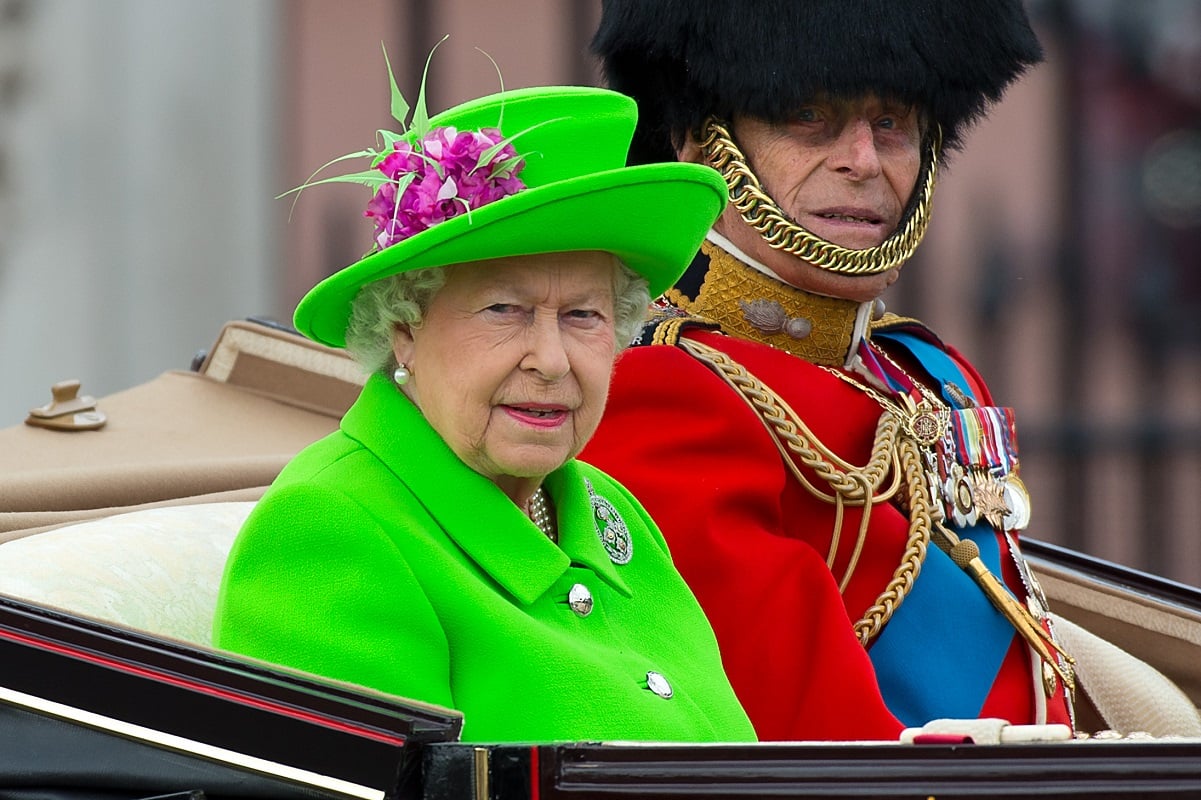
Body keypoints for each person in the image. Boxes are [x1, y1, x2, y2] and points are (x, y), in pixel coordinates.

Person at [580, 0, 1078, 741]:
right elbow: (800, 735)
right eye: (807, 116)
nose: (863, 160)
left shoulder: (923, 369)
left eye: (892, 123)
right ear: (696, 140)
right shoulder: (666, 387)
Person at [212, 78, 757, 744]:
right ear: (403, 326)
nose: (551, 360)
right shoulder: (330, 529)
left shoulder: (611, 512)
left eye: (583, 315)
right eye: (506, 310)